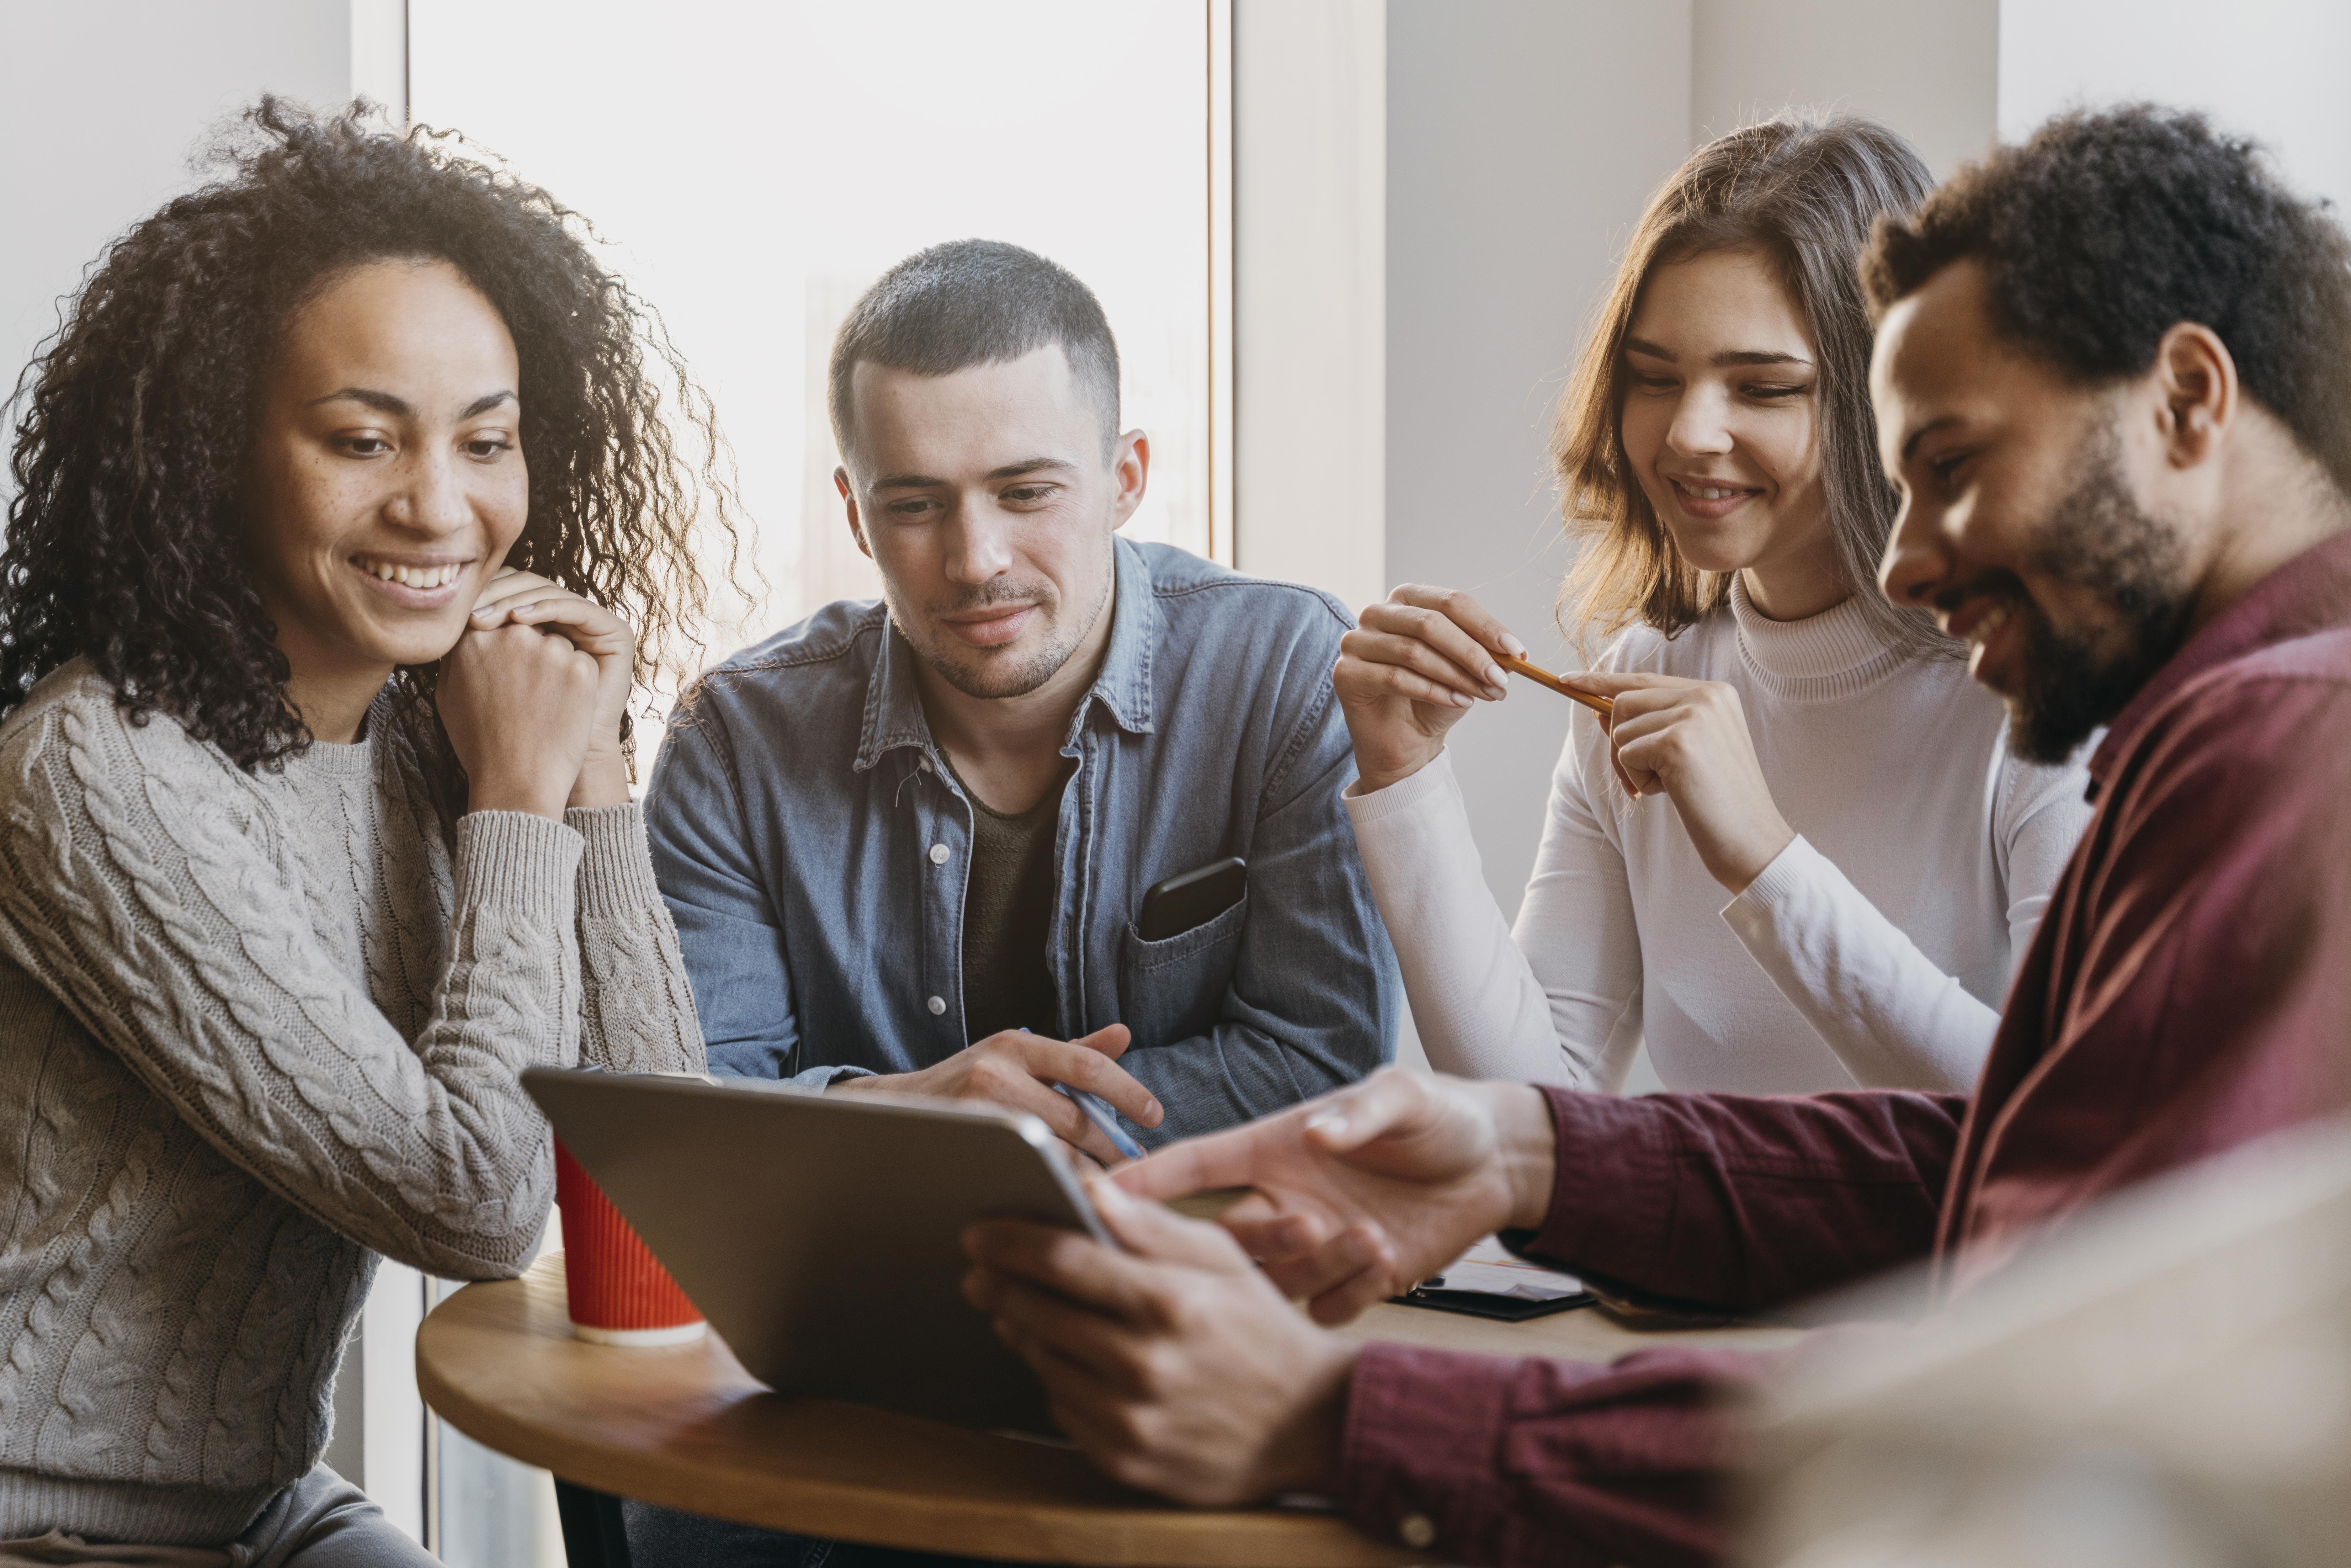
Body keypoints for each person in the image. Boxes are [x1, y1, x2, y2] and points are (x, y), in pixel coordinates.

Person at [960, 107, 2351, 1566]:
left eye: (1947, 463)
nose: (1909, 553)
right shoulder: (2218, 716)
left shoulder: (2273, 736)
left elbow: (2050, 1384)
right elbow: (2005, 1158)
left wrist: (1346, 1412)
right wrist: (1530, 1150)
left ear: (2189, 400)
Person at [0, 101, 720, 1563]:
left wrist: (587, 769)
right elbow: (467, 1204)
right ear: (220, 449)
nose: (439, 504)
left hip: (258, 1505)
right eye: (361, 437)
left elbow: (664, 1165)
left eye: (487, 440)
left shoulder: (426, 735)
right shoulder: (94, 769)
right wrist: (516, 801)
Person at [1336, 116, 2093, 1094]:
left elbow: (2055, 1123)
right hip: (1699, 1254)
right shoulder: (1639, 683)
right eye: (1655, 378)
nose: (1689, 432)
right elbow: (1537, 1105)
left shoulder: (2042, 701)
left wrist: (1766, 858)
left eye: (1763, 388)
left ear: (1892, 402)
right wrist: (1406, 781)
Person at [642, 240, 1400, 1161]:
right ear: (854, 513)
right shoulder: (734, 741)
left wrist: (985, 1121)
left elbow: (1325, 1069)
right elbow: (700, 1105)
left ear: (1127, 478)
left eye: (1026, 492)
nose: (977, 560)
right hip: (847, 1286)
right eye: (916, 507)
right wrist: (926, 1108)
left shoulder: (1286, 671)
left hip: (1205, 1277)